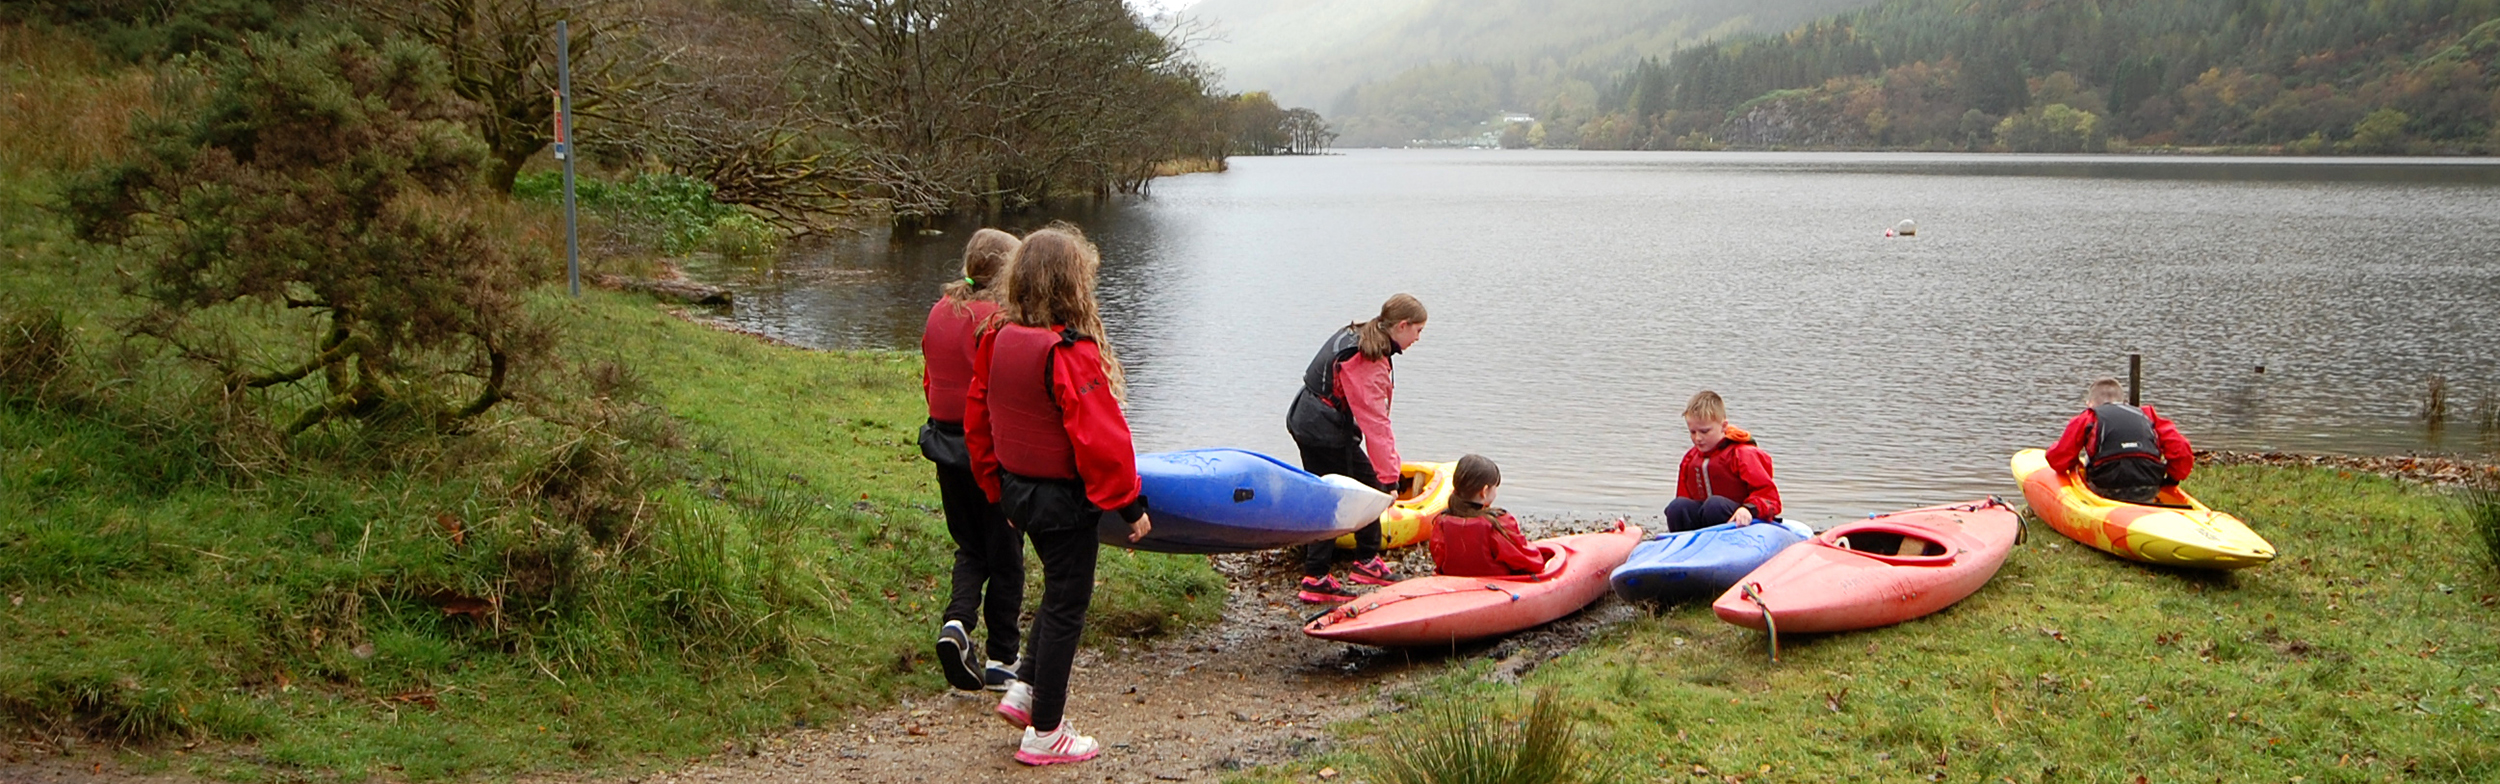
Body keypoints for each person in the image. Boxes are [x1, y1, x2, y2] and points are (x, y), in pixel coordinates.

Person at [963, 223, 1151, 766]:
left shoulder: (997, 337)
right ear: (1074, 285)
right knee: (1069, 604)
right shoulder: (1068, 352)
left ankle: (1025, 689)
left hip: (1019, 494)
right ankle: (1046, 732)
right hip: (1063, 503)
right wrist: (1130, 505)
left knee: (1059, 590)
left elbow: (979, 419)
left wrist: (996, 488)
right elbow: (1103, 440)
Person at [920, 228, 1024, 695]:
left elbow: (929, 379)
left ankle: (958, 624)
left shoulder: (941, 310)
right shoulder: (999, 321)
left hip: (944, 447)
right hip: (987, 452)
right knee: (1005, 552)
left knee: (970, 545)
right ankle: (1003, 657)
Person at [1285, 293, 1428, 603]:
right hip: (1322, 430)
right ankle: (1320, 576)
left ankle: (1363, 561)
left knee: (1342, 487)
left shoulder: (1365, 332)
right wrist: (1389, 478)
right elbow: (1376, 423)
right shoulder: (1368, 360)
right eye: (1418, 330)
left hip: (1308, 418)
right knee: (1346, 493)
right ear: (1401, 326)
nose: (1418, 338)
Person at [2043, 377, 2194, 504]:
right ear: (2125, 402)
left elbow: (2058, 460)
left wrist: (2074, 464)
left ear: (2089, 404)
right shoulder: (2148, 415)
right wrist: (2172, 479)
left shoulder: (2088, 417)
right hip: (2149, 485)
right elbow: (2181, 449)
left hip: (2106, 487)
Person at [1664, 390, 1783, 532]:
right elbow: (1684, 498)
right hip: (1705, 519)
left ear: (1723, 426)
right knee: (1677, 506)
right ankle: (1682, 546)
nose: (1698, 438)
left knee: (1714, 505)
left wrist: (1748, 509)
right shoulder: (1690, 459)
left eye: (1705, 431)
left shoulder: (1742, 454)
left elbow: (1769, 497)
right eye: (1693, 432)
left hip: (1743, 519)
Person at [1425, 454, 1547, 578]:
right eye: (1495, 487)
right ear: (1484, 491)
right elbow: (1531, 563)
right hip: (1495, 587)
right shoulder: (1498, 523)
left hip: (1455, 584)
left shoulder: (1441, 521)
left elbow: (1439, 559)